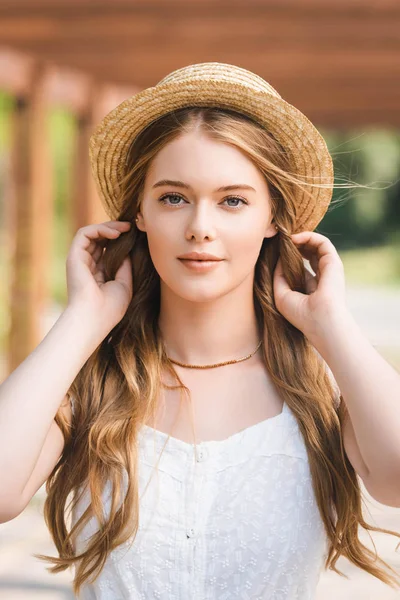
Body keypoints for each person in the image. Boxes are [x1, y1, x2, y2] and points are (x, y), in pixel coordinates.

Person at [1, 62, 400, 600]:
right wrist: (82, 321)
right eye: (173, 197)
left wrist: (332, 325)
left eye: (233, 200)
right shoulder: (92, 384)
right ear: (139, 212)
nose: (200, 226)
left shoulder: (320, 389)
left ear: (273, 217)